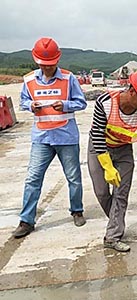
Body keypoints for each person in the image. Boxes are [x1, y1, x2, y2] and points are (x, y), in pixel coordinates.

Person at [13, 37, 87, 238]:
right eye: (43, 65)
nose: (47, 68)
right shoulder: (28, 80)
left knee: (73, 178)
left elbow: (81, 103)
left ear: (57, 60)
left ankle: (77, 210)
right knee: (32, 179)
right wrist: (31, 106)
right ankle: (26, 221)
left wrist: (65, 105)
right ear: (37, 61)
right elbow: (23, 101)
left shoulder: (69, 78)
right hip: (42, 137)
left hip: (66, 137)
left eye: (51, 64)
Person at [87, 70, 137, 252]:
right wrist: (107, 166)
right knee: (102, 192)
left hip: (124, 149)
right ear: (132, 91)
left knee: (121, 194)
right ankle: (116, 222)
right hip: (99, 147)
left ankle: (112, 237)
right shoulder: (105, 103)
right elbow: (96, 135)